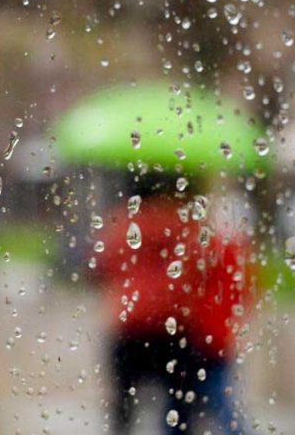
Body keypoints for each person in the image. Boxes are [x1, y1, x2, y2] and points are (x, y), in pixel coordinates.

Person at [94, 172, 251, 434]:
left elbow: (101, 267)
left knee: (123, 409)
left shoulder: (121, 224)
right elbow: (205, 265)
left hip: (129, 328)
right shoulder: (185, 223)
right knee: (178, 410)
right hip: (172, 329)